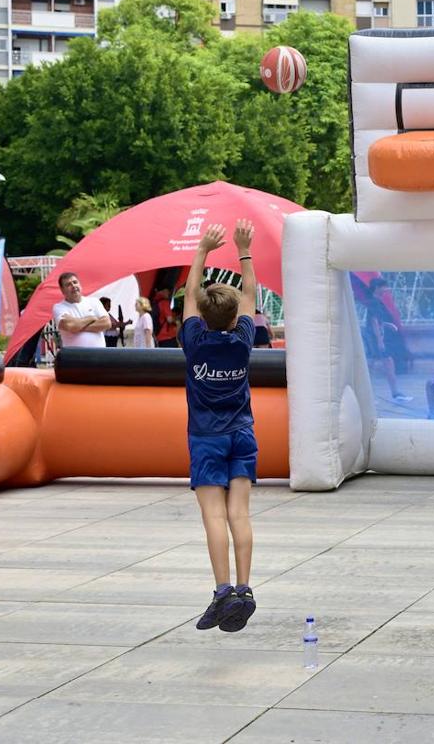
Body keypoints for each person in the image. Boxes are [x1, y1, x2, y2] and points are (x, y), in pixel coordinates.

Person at [181, 220, 259, 633]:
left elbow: (190, 299)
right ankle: (245, 589)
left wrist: (201, 251)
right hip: (242, 434)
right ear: (234, 318)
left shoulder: (194, 342)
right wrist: (243, 249)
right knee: (239, 514)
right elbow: (250, 294)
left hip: (207, 439)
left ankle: (222, 590)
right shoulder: (243, 341)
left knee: (214, 516)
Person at [363, 278, 412, 404]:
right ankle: (367, 395)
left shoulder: (377, 302)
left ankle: (395, 393)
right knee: (371, 365)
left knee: (384, 363)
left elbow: (379, 321)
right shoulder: (374, 302)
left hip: (379, 338)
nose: (387, 289)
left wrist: (389, 326)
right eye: (384, 287)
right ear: (377, 288)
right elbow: (374, 322)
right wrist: (379, 341)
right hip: (376, 339)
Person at [52, 273, 113, 349]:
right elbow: (70, 326)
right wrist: (91, 318)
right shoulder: (59, 307)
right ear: (62, 290)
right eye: (68, 285)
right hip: (75, 356)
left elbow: (106, 323)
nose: (73, 286)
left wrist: (77, 326)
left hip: (99, 355)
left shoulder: (94, 301)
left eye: (75, 282)